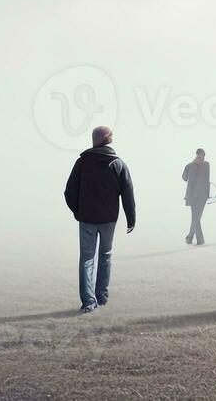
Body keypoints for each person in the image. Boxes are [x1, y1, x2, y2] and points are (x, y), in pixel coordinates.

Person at [63, 126, 136, 312]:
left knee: (87, 259)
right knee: (105, 256)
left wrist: (78, 212)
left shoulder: (82, 162)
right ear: (109, 141)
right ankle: (101, 296)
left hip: (86, 219)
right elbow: (128, 193)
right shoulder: (118, 164)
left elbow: (69, 191)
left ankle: (88, 301)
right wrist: (131, 219)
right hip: (109, 220)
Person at [181, 149, 211, 245]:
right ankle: (199, 239)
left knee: (196, 218)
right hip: (193, 196)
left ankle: (189, 237)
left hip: (202, 197)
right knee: (196, 218)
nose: (200, 158)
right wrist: (191, 164)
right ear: (196, 156)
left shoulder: (206, 165)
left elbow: (206, 178)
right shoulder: (190, 166)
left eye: (202, 156)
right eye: (199, 156)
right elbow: (184, 178)